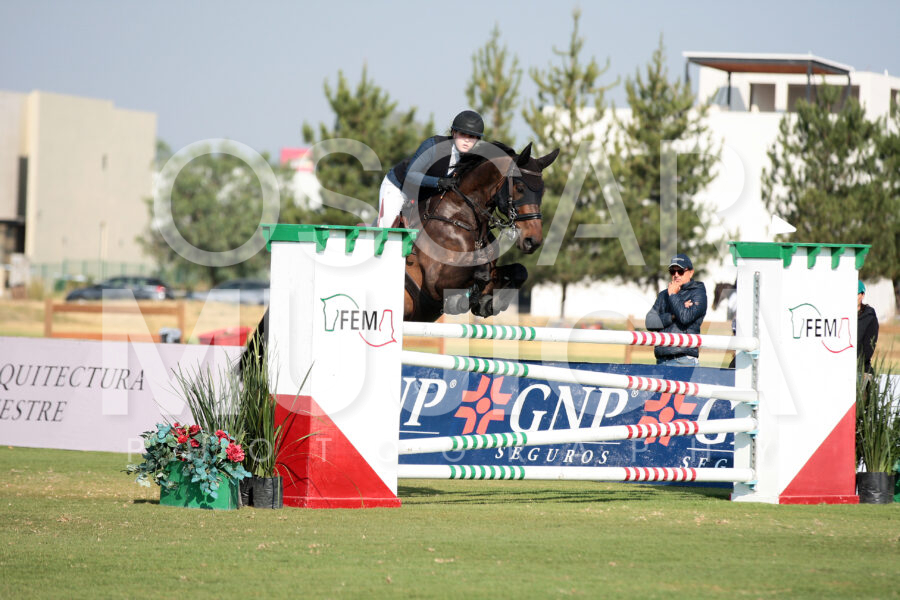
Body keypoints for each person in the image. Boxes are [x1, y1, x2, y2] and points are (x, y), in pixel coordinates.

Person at [375, 110, 484, 228]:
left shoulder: (470, 160)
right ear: (454, 133)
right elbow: (410, 175)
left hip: (422, 196)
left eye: (472, 137)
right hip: (398, 188)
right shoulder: (433, 146)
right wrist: (439, 182)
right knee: (389, 232)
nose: (467, 140)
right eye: (463, 134)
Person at [645, 253, 708, 366]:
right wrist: (672, 316)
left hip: (684, 360)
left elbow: (685, 317)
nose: (676, 275)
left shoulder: (698, 294)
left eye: (680, 271)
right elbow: (649, 322)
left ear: (691, 272)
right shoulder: (664, 295)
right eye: (672, 271)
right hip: (661, 360)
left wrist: (673, 295)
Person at [857, 280, 879, 374]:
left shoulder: (869, 317)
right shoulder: (840, 315)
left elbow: (868, 349)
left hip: (861, 369)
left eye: (856, 294)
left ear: (862, 295)